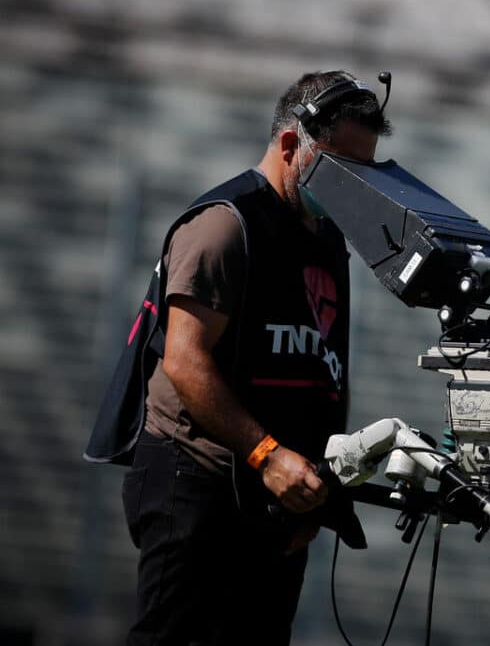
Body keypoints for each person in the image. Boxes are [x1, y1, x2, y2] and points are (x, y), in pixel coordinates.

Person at [87, 70, 390, 645]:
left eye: (364, 172)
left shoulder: (326, 239)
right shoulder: (225, 226)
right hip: (194, 480)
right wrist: (269, 456)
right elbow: (185, 362)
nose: (354, 188)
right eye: (339, 169)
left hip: (277, 497)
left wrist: (314, 489)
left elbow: (324, 368)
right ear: (288, 145)